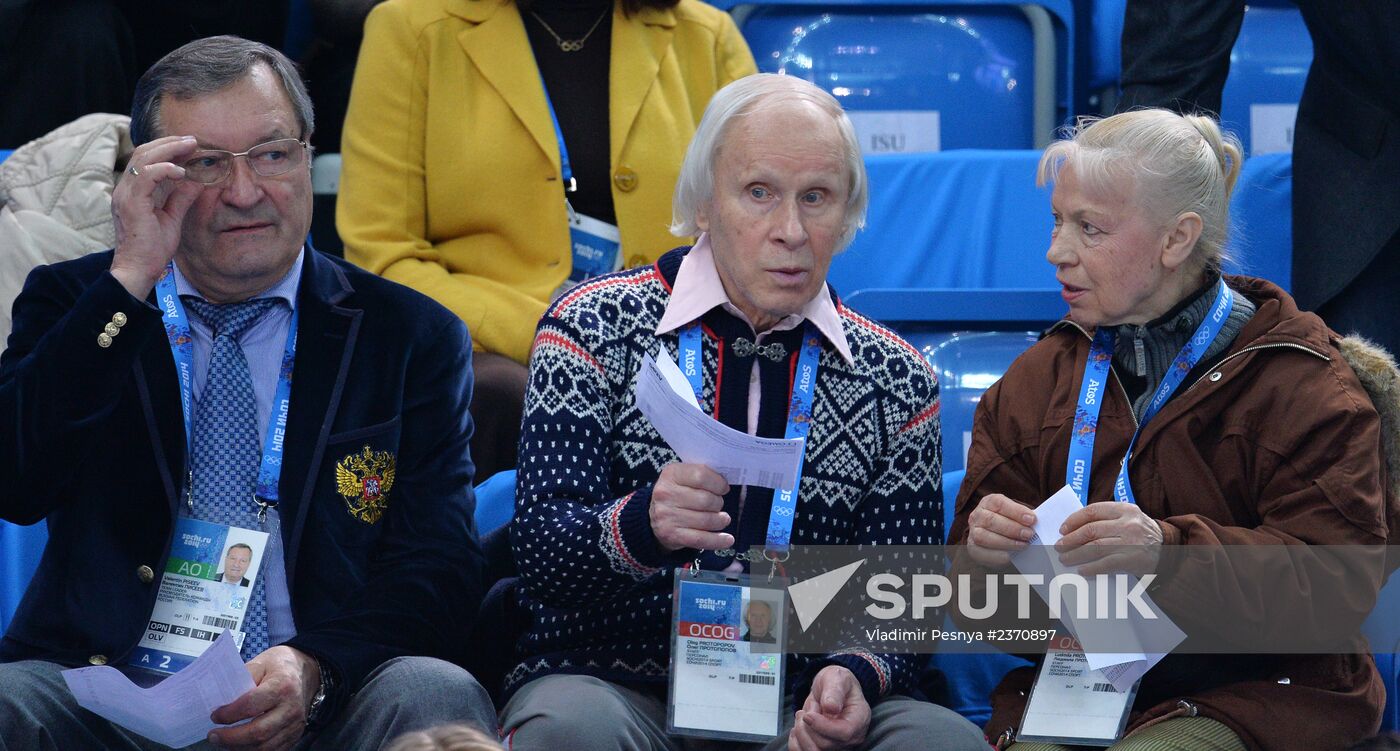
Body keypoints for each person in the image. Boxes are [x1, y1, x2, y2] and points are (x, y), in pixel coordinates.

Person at [0, 36, 495, 750]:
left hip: (323, 701)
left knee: (433, 691)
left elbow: (439, 570)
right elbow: (17, 479)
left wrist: (314, 666)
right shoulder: (82, 304)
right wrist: (132, 274)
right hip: (112, 698)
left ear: (307, 155)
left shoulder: (409, 335)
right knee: (10, 701)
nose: (244, 192)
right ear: (151, 177)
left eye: (272, 154)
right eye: (205, 162)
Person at [501, 73, 987, 751]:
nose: (790, 230)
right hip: (614, 685)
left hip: (802, 699)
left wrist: (855, 674)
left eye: (816, 198)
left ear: (846, 217)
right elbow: (541, 549)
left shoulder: (897, 378)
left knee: (942, 742)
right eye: (759, 193)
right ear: (703, 204)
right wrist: (641, 523)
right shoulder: (590, 326)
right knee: (566, 729)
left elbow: (901, 597)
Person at [950, 109, 1399, 750]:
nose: (1056, 251)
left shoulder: (1308, 386)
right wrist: (984, 558)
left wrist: (1168, 556)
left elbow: (1336, 591)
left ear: (1177, 239)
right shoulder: (1037, 380)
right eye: (1057, 221)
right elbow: (988, 613)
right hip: (1081, 692)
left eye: (1090, 229)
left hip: (1266, 696)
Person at [336, 0, 757, 480]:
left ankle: (759, 560)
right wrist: (557, 334)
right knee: (505, 395)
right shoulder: (410, 29)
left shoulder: (709, 36)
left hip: (681, 340)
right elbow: (384, 255)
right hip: (497, 349)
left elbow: (760, 226)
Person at [1116, 0, 1400, 358]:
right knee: (1360, 402)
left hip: (1363, 155)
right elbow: (1174, 55)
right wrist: (1133, 204)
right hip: (1373, 181)